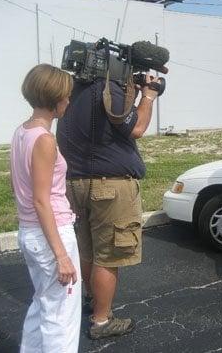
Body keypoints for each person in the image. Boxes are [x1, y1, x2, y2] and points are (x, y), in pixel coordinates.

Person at [56, 71, 161, 339]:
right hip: (110, 186)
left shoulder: (72, 90)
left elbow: (112, 119)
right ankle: (102, 321)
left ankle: (92, 299)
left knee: (88, 249)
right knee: (109, 255)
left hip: (77, 184)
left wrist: (130, 92)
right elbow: (136, 127)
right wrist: (148, 94)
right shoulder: (108, 89)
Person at [10, 64, 80, 352]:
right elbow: (41, 200)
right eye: (66, 96)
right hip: (51, 234)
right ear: (55, 99)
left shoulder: (21, 132)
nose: (68, 101)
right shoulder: (45, 140)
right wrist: (61, 256)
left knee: (44, 305)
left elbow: (19, 185)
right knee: (61, 317)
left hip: (31, 233)